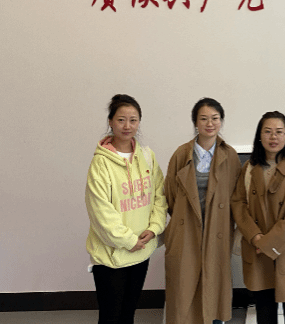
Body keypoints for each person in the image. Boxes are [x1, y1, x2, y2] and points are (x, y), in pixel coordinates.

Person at [85, 94, 168, 324]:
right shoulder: (101, 163)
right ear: (110, 122)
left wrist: (154, 228)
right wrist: (129, 240)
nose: (127, 126)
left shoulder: (147, 156)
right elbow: (101, 212)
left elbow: (159, 196)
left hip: (141, 250)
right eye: (121, 120)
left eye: (133, 120)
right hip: (111, 256)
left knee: (128, 314)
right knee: (111, 317)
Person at [231, 111, 285, 324]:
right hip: (258, 251)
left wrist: (267, 243)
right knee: (265, 313)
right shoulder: (249, 167)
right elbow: (238, 204)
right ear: (259, 136)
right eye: (268, 131)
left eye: (279, 132)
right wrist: (255, 236)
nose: (273, 137)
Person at [164, 98, 242, 324]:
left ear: (221, 121)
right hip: (186, 229)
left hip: (217, 230)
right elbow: (170, 194)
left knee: (213, 284)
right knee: (184, 285)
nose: (210, 123)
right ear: (195, 122)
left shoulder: (230, 155)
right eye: (204, 118)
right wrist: (184, 218)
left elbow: (237, 196)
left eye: (215, 118)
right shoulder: (181, 154)